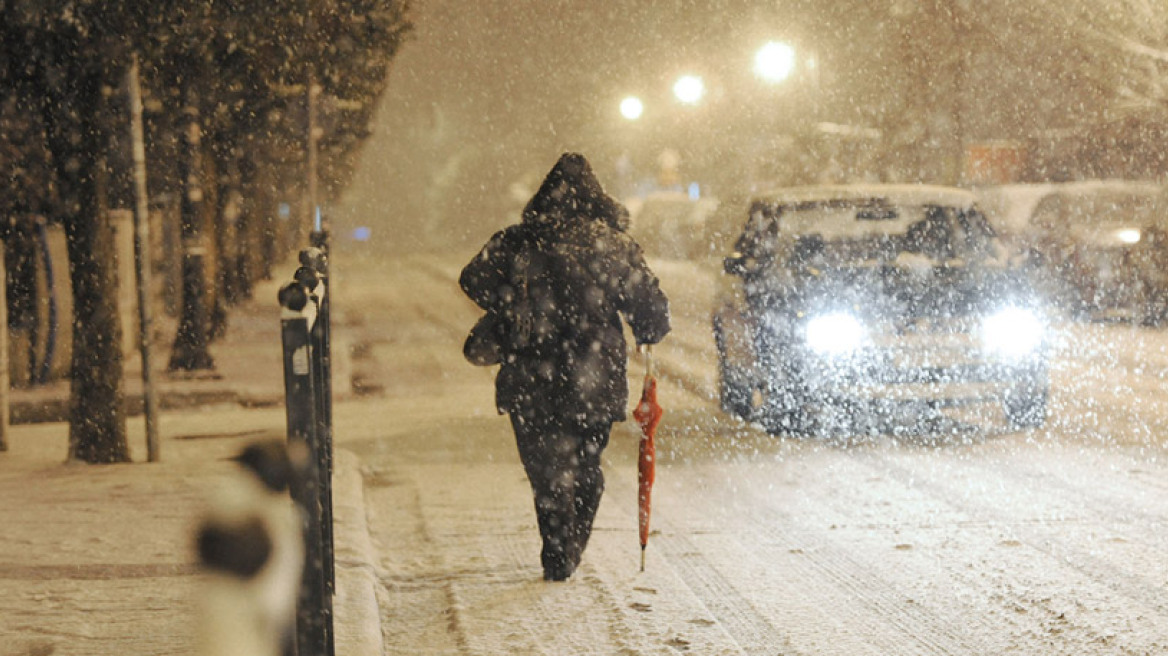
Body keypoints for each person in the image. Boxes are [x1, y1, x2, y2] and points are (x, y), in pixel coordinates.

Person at [460, 152, 671, 581]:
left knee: (544, 468)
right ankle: (570, 541)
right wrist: (642, 327)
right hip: (594, 372)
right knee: (587, 463)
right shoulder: (611, 244)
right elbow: (651, 309)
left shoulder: (518, 241)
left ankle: (557, 545)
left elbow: (472, 280)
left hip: (529, 371)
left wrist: (512, 298)